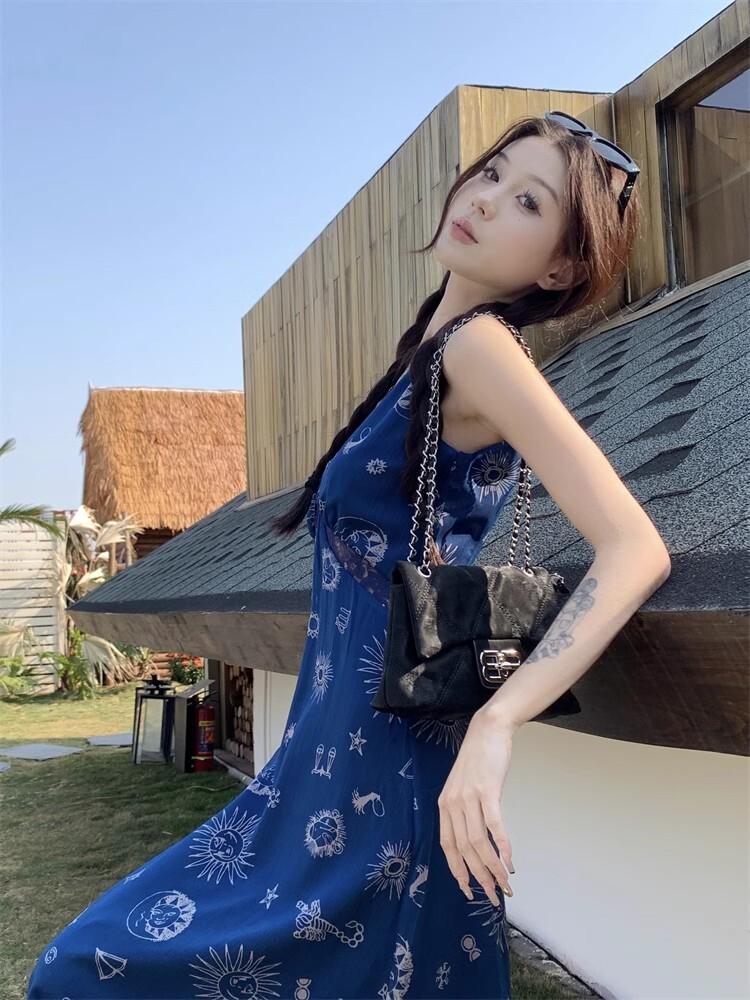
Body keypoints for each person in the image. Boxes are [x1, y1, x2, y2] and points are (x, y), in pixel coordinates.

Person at [27, 112, 670, 1000]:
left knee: (83, 969)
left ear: (559, 268)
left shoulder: (481, 349)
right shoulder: (437, 347)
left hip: (385, 770)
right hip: (330, 758)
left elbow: (635, 548)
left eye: (529, 202)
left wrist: (497, 725)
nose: (485, 199)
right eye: (492, 173)